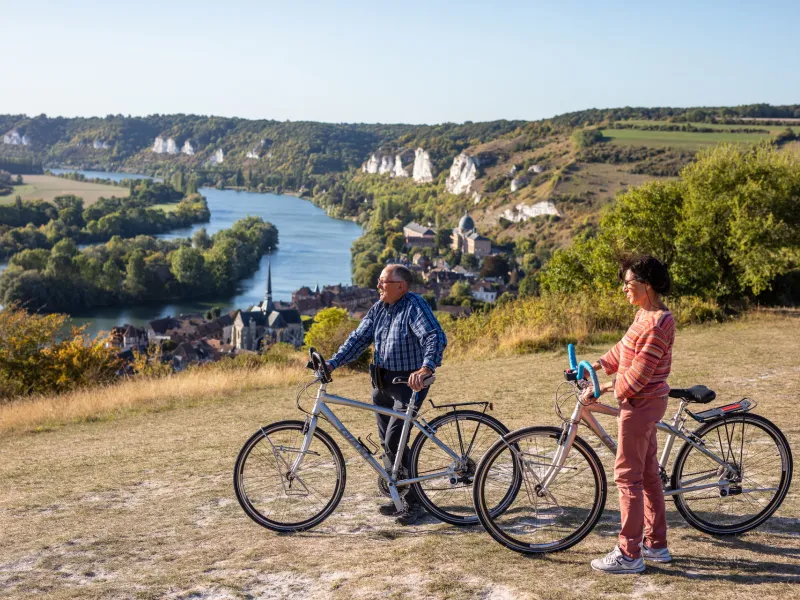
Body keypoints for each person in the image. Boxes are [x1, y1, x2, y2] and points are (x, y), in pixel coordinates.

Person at [326, 264, 447, 525]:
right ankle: (400, 495)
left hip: (409, 385)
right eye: (379, 281)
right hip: (381, 386)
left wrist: (426, 368)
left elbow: (434, 336)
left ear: (400, 286)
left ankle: (415, 504)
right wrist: (332, 363)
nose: (378, 286)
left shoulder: (413, 306)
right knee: (388, 444)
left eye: (383, 282)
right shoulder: (379, 308)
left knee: (395, 440)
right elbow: (358, 339)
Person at [586, 255, 675, 574]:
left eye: (629, 283)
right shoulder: (645, 315)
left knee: (628, 477)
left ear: (646, 285)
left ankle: (629, 553)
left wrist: (605, 388)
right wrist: (594, 365)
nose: (624, 288)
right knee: (649, 475)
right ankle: (656, 545)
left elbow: (638, 375)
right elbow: (623, 350)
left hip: (640, 404)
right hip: (643, 402)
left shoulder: (659, 322)